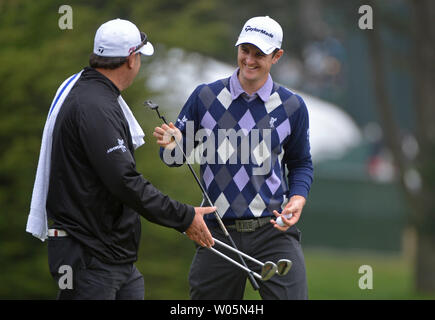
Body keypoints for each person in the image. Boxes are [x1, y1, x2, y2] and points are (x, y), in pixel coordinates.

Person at [26, 18, 215, 300]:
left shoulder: (96, 97)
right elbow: (124, 181)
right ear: (130, 59)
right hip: (88, 258)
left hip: (112, 257)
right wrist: (183, 216)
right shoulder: (94, 107)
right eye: (139, 56)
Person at [153, 16, 313, 299]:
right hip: (217, 233)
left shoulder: (292, 106)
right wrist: (170, 145)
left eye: (259, 54)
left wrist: (298, 196)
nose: (249, 60)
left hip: (273, 231)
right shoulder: (205, 97)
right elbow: (175, 158)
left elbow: (300, 162)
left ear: (277, 56)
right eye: (245, 51)